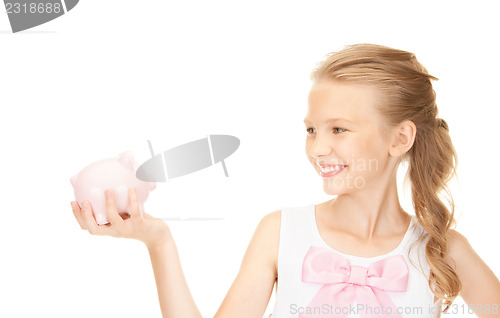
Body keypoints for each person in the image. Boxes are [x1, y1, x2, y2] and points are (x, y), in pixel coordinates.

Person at [71, 43, 500, 318]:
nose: (316, 149)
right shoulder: (281, 232)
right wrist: (158, 240)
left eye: (339, 130)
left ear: (400, 138)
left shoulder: (443, 250)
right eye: (312, 129)